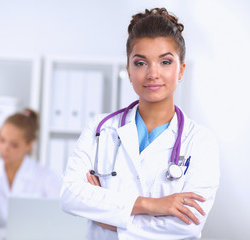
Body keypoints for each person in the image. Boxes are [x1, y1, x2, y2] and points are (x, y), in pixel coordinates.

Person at [60, 8, 220, 240]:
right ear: (129, 70)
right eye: (141, 63)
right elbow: (70, 195)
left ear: (181, 70)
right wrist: (151, 205)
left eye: (165, 62)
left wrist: (106, 215)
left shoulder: (199, 141)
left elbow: (187, 225)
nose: (153, 73)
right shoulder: (101, 128)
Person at [0, 108, 61, 228]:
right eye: (2, 140)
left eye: (14, 145)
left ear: (29, 145)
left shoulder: (46, 177)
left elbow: (58, 221)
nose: (5, 148)